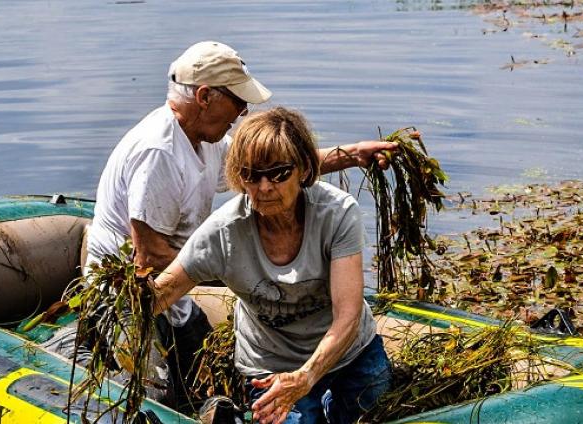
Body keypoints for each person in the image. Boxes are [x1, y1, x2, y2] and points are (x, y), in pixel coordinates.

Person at [62, 40, 394, 412]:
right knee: (153, 392)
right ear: (205, 96)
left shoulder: (205, 139)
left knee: (196, 352)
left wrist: (351, 155)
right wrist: (246, 275)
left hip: (178, 273)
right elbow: (148, 253)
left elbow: (279, 159)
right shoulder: (160, 154)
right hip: (133, 285)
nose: (242, 112)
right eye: (237, 101)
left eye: (277, 176)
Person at [151, 107, 392, 423]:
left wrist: (307, 377)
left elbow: (347, 314)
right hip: (271, 368)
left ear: (303, 169)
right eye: (251, 175)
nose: (264, 188)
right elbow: (160, 294)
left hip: (349, 354)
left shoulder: (337, 214)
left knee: (372, 405)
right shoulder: (223, 234)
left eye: (278, 173)